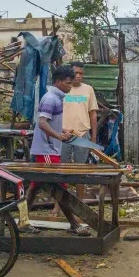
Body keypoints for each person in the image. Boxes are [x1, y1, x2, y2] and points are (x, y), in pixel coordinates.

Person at [24, 65, 91, 236]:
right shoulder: (50, 99)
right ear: (58, 82)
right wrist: (58, 136)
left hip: (50, 148)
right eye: (68, 83)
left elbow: (51, 122)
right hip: (47, 150)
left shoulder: (57, 97)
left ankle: (22, 222)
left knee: (35, 185)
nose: (70, 86)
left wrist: (63, 131)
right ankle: (74, 224)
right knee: (60, 186)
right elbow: (42, 123)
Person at [49, 61, 98, 216]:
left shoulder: (88, 89)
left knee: (80, 171)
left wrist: (94, 137)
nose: (78, 76)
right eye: (76, 73)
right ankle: (58, 205)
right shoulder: (62, 90)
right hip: (62, 135)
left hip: (82, 134)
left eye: (81, 73)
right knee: (60, 171)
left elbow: (93, 113)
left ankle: (79, 203)